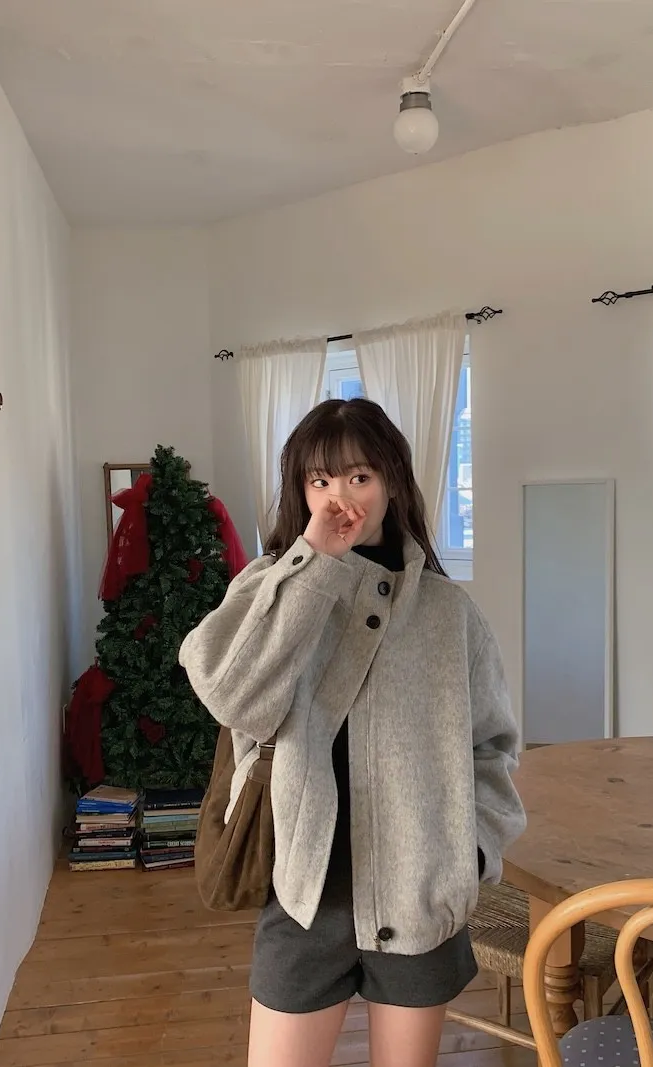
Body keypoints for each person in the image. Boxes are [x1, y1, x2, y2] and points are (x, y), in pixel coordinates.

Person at [179, 398, 526, 1067]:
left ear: (392, 482)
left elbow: (493, 747)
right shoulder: (269, 587)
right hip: (303, 896)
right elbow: (230, 693)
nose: (340, 497)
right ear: (300, 492)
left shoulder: (449, 613)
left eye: (359, 477)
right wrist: (313, 565)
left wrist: (469, 850)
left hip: (419, 898)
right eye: (320, 480)